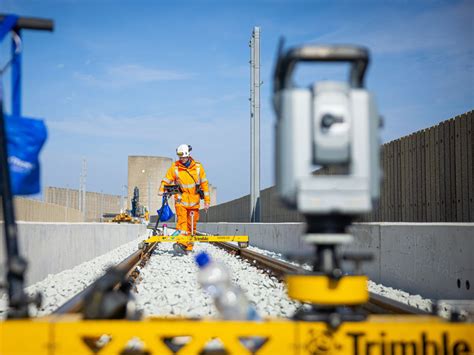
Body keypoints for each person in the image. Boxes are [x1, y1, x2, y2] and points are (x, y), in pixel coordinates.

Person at [159, 144, 210, 252]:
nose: (181, 159)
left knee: (192, 226)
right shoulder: (175, 167)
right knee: (182, 223)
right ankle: (181, 243)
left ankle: (189, 247)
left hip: (194, 202)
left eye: (183, 157)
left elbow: (204, 184)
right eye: (179, 157)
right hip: (180, 201)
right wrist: (161, 189)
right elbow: (167, 179)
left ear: (188, 155)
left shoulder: (198, 167)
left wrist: (207, 201)